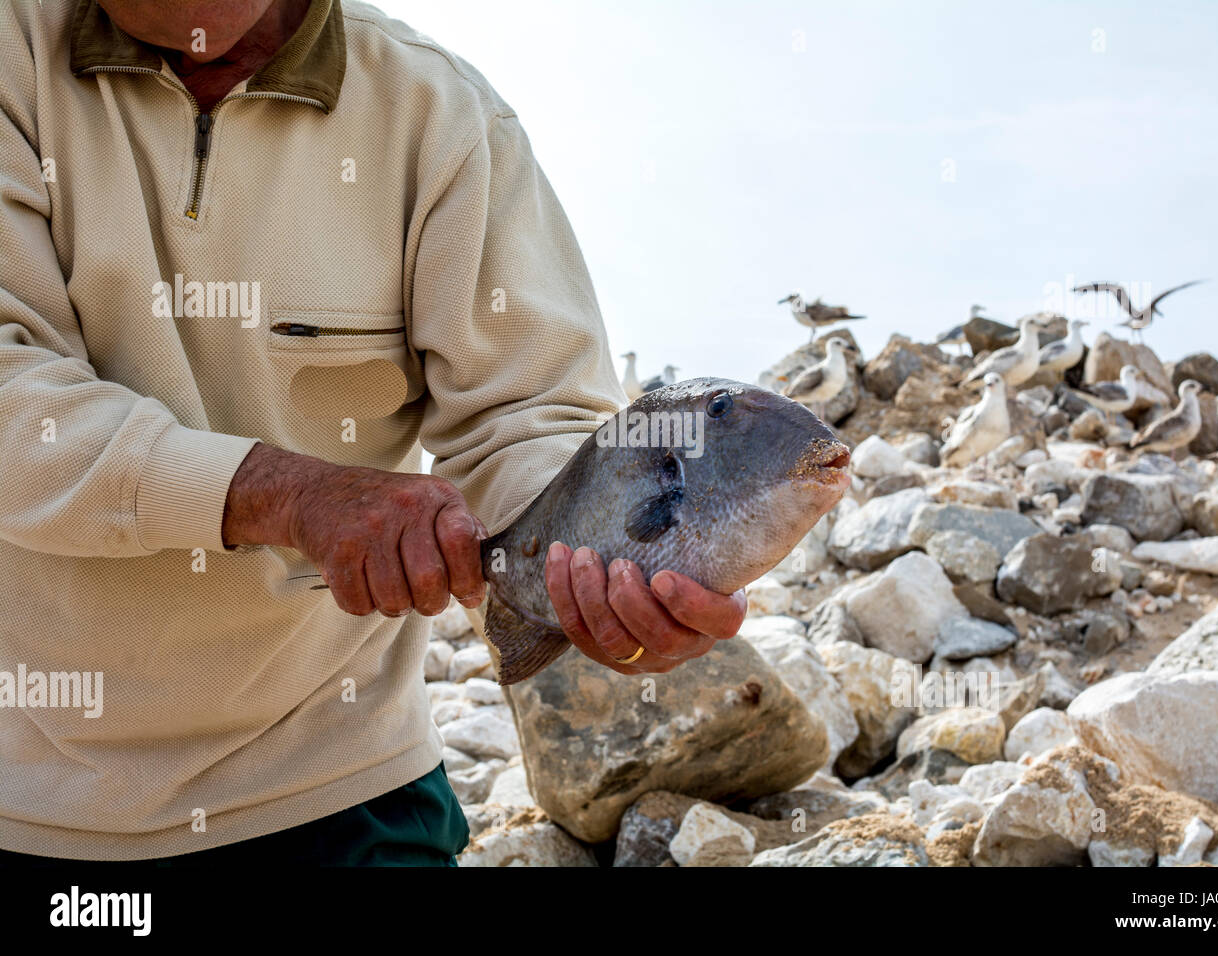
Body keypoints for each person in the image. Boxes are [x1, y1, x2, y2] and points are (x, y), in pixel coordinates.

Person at [0, 0, 744, 865]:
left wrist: (604, 568)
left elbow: (526, 418)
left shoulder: (442, 116)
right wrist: (277, 493)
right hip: (34, 803)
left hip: (340, 786)